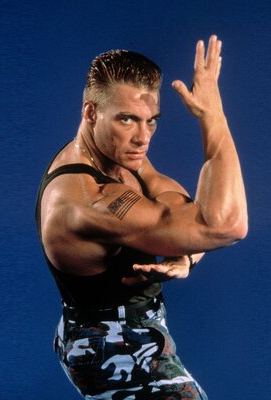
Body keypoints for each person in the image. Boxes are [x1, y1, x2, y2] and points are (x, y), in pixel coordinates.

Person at [34, 35, 248, 399]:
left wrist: (187, 254)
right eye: (128, 119)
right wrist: (213, 117)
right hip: (113, 346)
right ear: (91, 112)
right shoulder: (89, 201)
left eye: (151, 121)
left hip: (127, 330)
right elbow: (224, 224)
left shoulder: (115, 153)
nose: (142, 138)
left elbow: (186, 212)